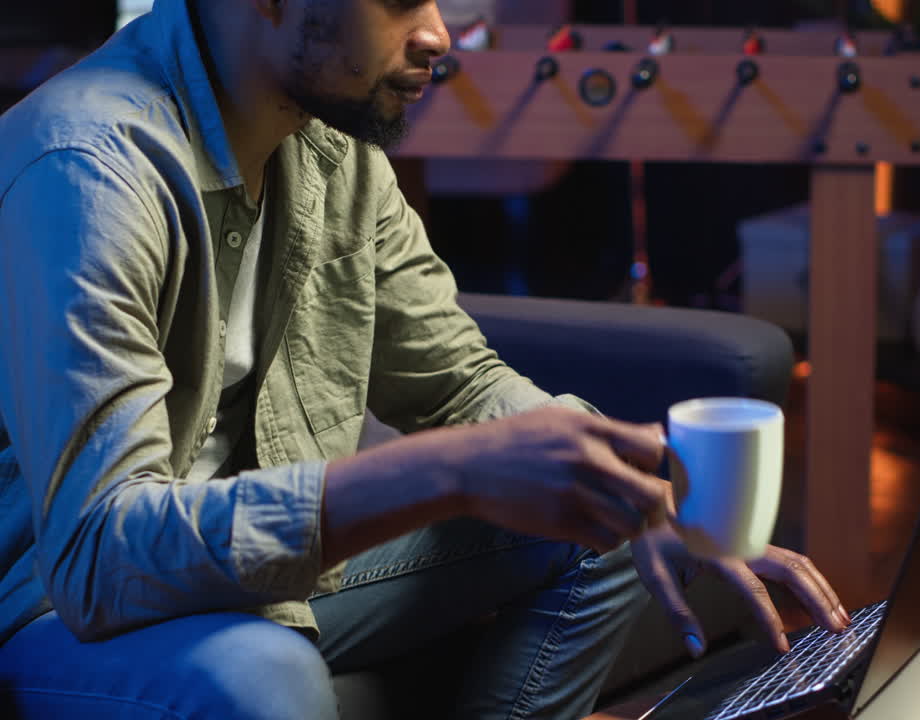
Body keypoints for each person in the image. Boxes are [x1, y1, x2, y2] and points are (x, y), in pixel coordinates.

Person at [0, 1, 850, 718]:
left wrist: (668, 502)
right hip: (59, 604)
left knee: (607, 510)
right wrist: (449, 471)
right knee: (263, 677)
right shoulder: (88, 169)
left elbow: (460, 381)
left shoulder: (334, 149)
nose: (439, 34)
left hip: (254, 570)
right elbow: (100, 558)